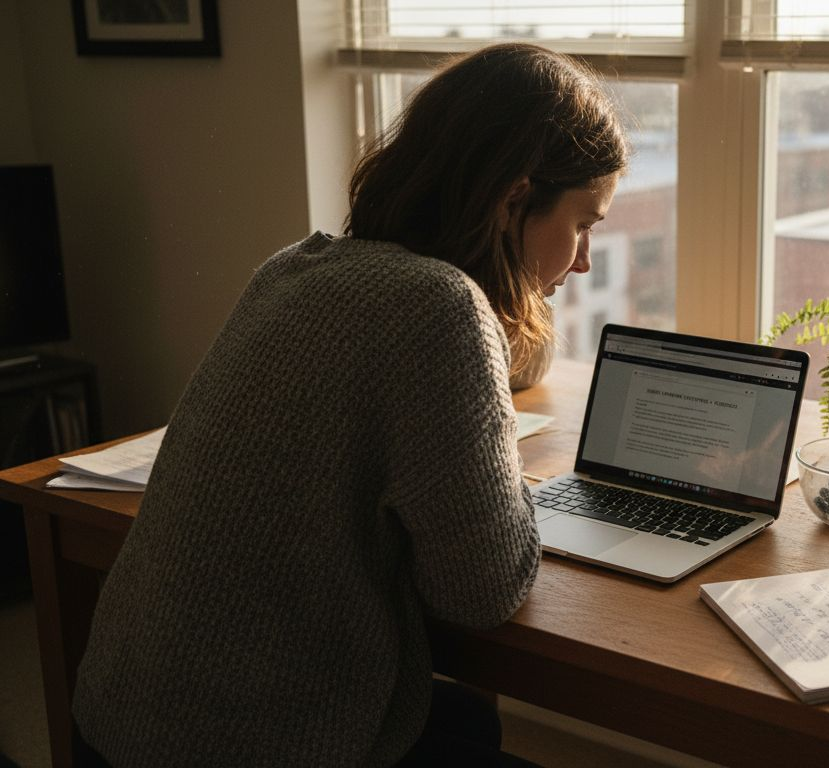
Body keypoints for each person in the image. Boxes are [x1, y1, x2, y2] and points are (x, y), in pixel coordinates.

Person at [71, 42, 627, 766]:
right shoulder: (438, 311)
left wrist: (510, 301)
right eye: (584, 223)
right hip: (242, 745)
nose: (583, 259)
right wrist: (509, 486)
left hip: (118, 721)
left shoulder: (300, 266)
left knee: (460, 718)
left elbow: (507, 351)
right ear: (512, 199)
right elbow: (482, 592)